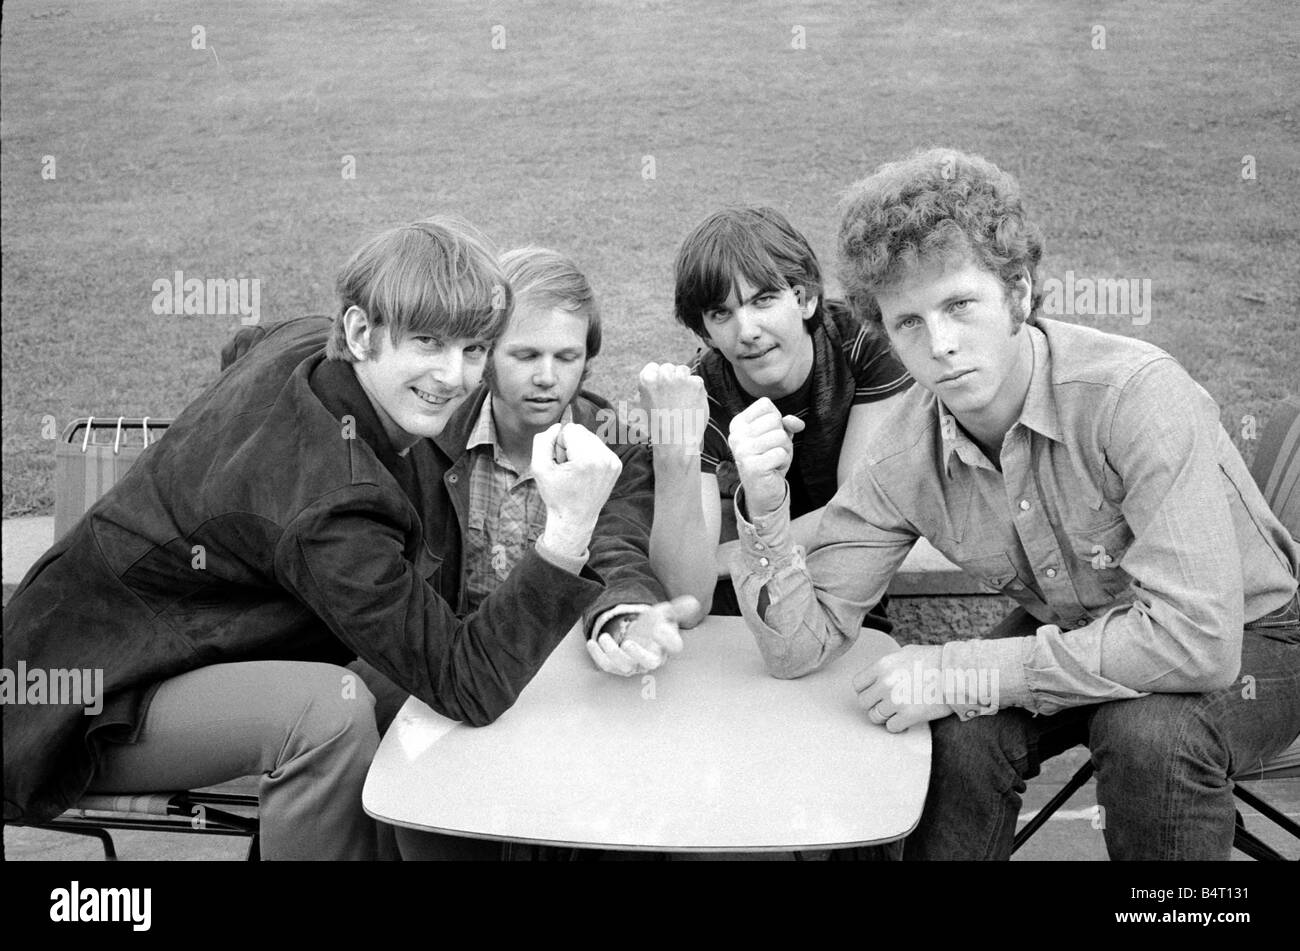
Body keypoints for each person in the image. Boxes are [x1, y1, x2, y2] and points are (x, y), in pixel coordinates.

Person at [726, 148, 1300, 860]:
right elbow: (795, 649)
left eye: (960, 305)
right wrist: (764, 506)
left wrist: (957, 668)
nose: (939, 344)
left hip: (1256, 634)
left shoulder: (1135, 395)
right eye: (909, 322)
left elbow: (1199, 640)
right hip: (1075, 621)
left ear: (1019, 293)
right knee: (958, 728)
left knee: (1148, 731)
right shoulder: (906, 455)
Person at [3, 217, 626, 860]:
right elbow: (469, 683)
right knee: (329, 713)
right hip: (84, 699)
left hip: (164, 644)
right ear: (360, 333)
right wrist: (568, 531)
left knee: (410, 693)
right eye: (428, 343)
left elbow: (246, 343)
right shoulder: (336, 508)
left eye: (473, 350)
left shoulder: (306, 343)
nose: (454, 376)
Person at [640, 207, 912, 622]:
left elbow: (861, 517)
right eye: (721, 313)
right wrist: (671, 449)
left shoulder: (863, 346)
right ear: (705, 331)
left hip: (841, 575)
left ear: (803, 299)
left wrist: (731, 555)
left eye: (763, 300)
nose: (746, 330)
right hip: (749, 589)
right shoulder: (699, 396)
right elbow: (687, 600)